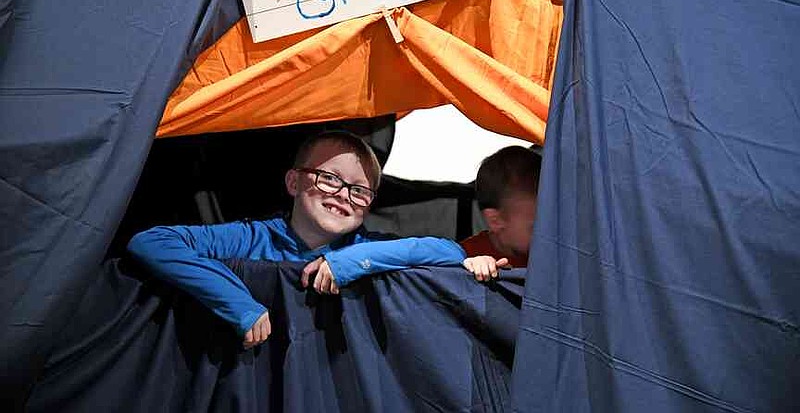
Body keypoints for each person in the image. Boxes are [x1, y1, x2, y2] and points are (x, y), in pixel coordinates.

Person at [128, 131, 466, 349]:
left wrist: (350, 262)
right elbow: (152, 242)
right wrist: (238, 303)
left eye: (359, 190)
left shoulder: (362, 248)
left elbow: (449, 250)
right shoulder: (252, 237)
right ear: (294, 182)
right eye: (329, 178)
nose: (343, 194)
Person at [460, 145, 540, 281]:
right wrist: (474, 265)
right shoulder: (468, 253)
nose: (547, 233)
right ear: (495, 221)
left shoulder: (552, 253)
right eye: (535, 227)